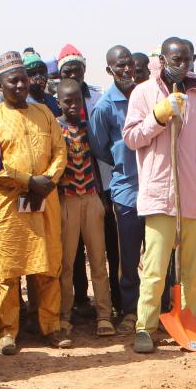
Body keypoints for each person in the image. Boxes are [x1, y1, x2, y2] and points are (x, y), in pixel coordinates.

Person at [122, 36, 196, 354]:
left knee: (191, 268)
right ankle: (145, 327)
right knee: (155, 268)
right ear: (162, 60)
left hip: (190, 196)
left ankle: (187, 320)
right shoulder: (144, 93)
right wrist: (159, 117)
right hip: (160, 196)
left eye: (187, 59)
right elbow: (132, 137)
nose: (183, 65)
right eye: (176, 59)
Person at [0, 51, 70, 355]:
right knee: (8, 272)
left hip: (45, 200)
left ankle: (51, 326)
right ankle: (7, 332)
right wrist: (27, 181)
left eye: (23, 79)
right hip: (10, 205)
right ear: (1, 84)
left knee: (49, 267)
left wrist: (47, 179)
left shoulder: (44, 113)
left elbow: (60, 151)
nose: (20, 85)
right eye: (13, 81)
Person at [57, 78, 115, 336]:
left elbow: (99, 158)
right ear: (58, 101)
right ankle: (63, 315)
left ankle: (104, 315)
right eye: (67, 101)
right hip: (66, 199)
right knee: (66, 264)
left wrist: (102, 197)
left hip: (91, 197)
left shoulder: (89, 126)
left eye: (77, 100)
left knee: (98, 261)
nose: (72, 105)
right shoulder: (54, 128)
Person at [91, 44, 143, 333]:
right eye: (119, 66)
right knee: (128, 257)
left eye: (129, 65)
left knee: (160, 254)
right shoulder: (104, 107)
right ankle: (130, 311)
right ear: (109, 70)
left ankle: (158, 308)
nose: (125, 70)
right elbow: (100, 148)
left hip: (155, 188)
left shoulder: (145, 96)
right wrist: (124, 160)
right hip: (125, 190)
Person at [24, 51, 61, 116]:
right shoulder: (23, 104)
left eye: (41, 72)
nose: (38, 77)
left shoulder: (52, 100)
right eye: (32, 73)